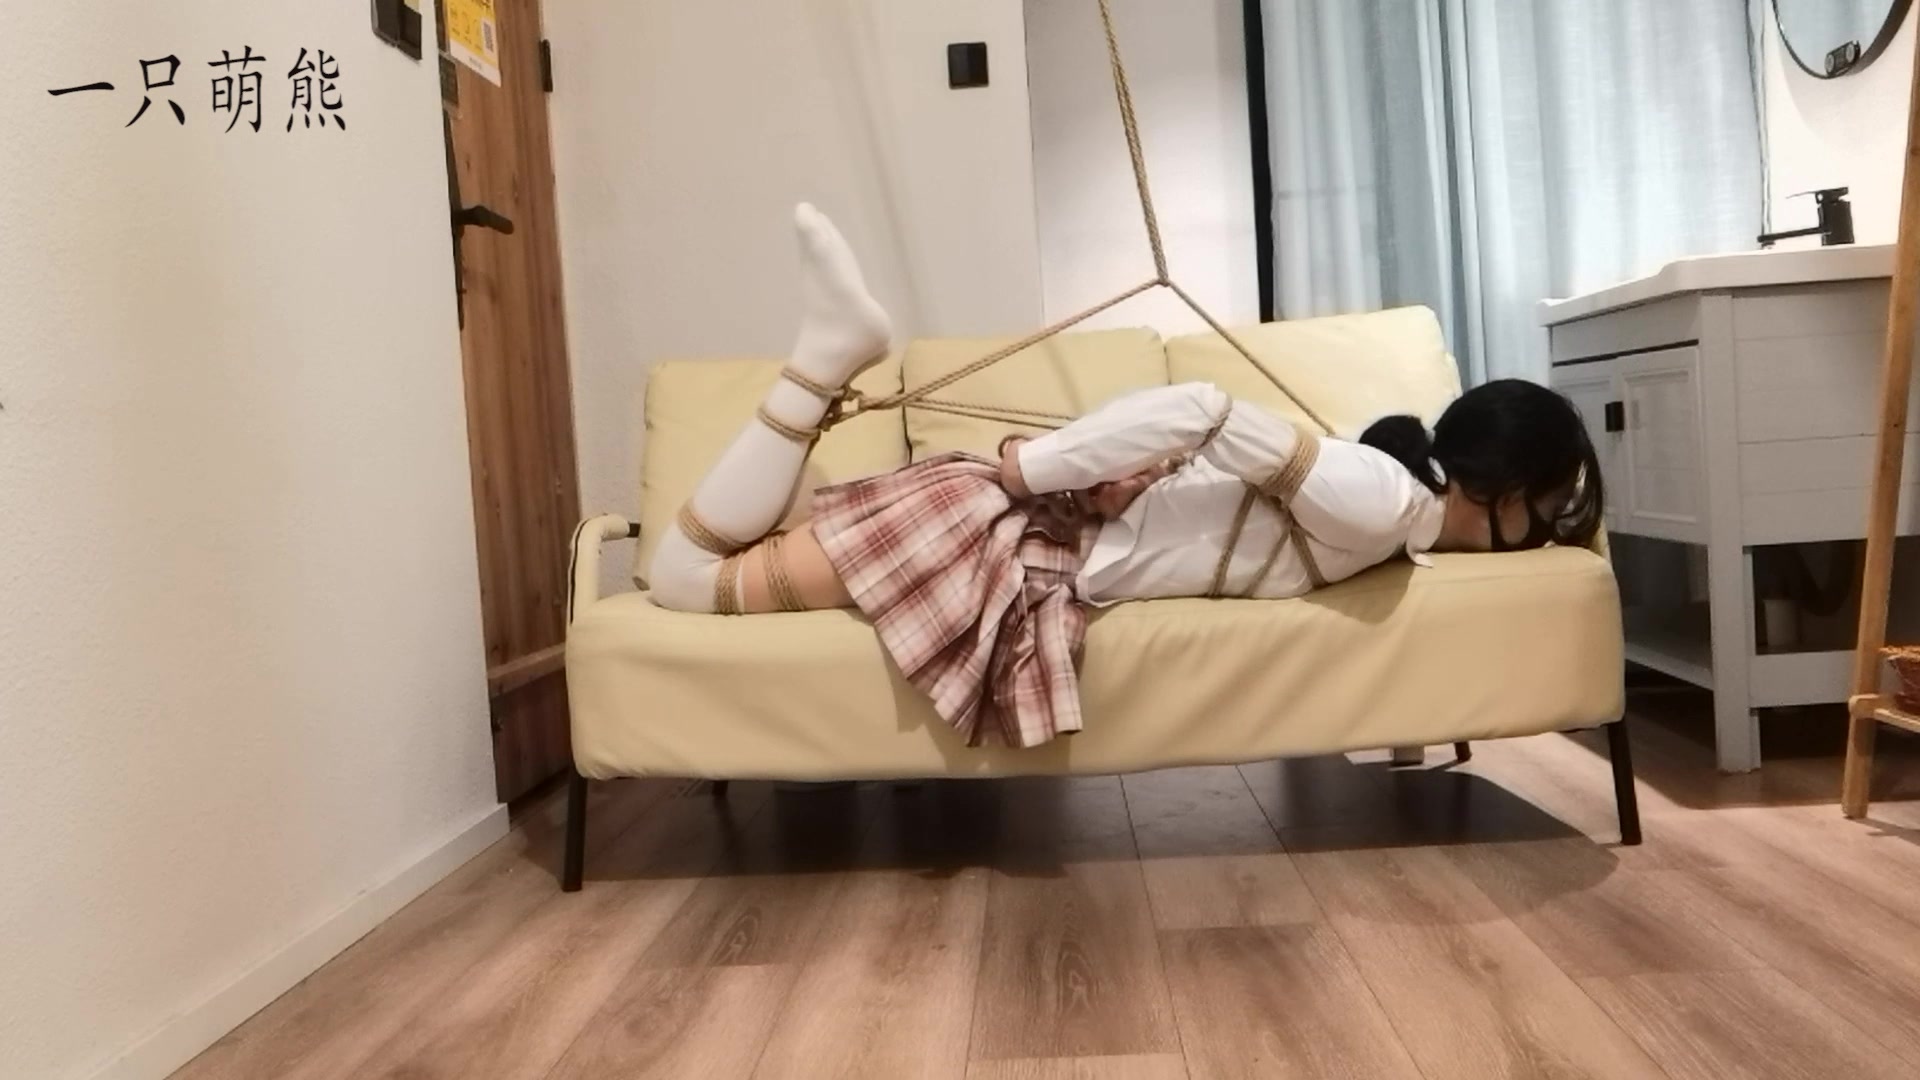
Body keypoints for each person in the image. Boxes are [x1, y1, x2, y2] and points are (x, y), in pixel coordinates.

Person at [647, 204, 1603, 745]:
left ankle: (824, 357)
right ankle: (822, 360)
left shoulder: (1386, 505)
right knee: (683, 579)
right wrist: (1029, 472)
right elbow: (1203, 409)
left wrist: (1122, 485)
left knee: (702, 570)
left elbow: (1215, 478)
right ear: (1505, 491)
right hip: (1002, 534)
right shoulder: (1386, 500)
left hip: (1029, 538)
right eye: (1551, 504)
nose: (1551, 527)